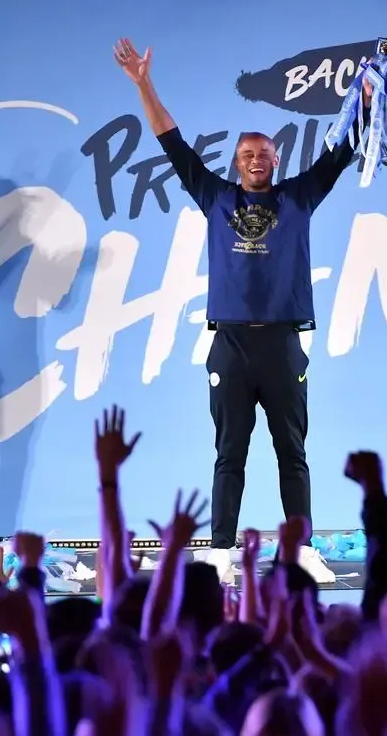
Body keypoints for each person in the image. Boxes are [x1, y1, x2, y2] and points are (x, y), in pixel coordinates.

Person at [113, 37, 370, 584]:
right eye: (247, 154)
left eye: (264, 153)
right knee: (229, 452)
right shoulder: (214, 196)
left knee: (291, 451)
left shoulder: (299, 197)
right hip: (229, 344)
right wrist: (143, 84)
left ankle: (298, 550)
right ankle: (222, 551)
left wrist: (371, 102)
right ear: (237, 162)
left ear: (276, 160)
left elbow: (340, 153)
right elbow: (170, 140)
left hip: (282, 343)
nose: (256, 159)